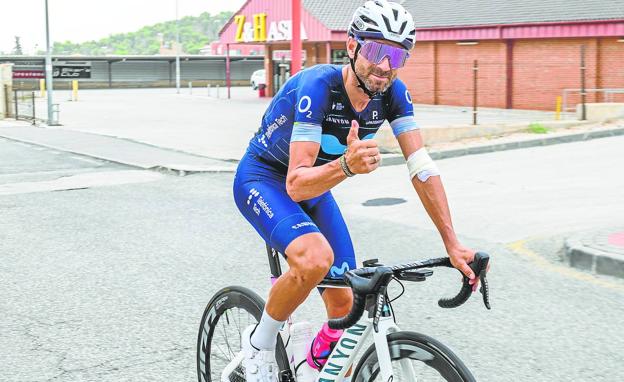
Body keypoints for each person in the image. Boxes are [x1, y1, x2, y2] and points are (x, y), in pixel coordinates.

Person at [233, 1, 483, 380]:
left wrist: (452, 243)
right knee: (314, 258)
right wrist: (346, 166)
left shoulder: (393, 93)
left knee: (345, 304)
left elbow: (421, 167)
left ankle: (310, 367)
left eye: (397, 55)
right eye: (377, 50)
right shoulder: (318, 85)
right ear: (352, 47)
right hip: (266, 177)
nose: (385, 65)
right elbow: (296, 184)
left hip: (319, 182)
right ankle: (259, 345)